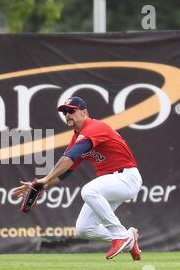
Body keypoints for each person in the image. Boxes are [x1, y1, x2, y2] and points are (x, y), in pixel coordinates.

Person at [13, 97, 143, 260]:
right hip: (111, 184)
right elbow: (66, 171)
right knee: (85, 229)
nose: (67, 115)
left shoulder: (95, 127)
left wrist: (45, 179)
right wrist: (40, 185)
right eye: (65, 112)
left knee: (89, 190)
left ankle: (119, 235)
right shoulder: (77, 137)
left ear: (84, 112)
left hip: (127, 178)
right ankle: (129, 238)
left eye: (71, 110)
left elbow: (70, 157)